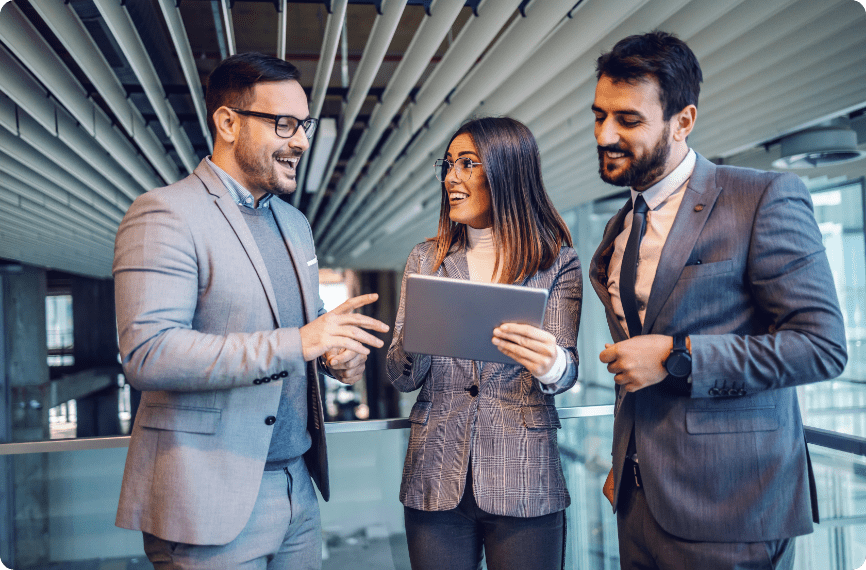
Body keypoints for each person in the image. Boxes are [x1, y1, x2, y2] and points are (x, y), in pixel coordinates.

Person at [113, 52, 389, 568]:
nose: (302, 141)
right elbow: (148, 353)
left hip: (298, 490)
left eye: (303, 125)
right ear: (227, 122)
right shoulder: (165, 213)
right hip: (208, 495)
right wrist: (300, 342)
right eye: (284, 124)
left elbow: (299, 337)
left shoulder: (294, 223)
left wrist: (332, 360)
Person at [588, 31, 847, 569]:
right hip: (638, 504)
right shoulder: (618, 226)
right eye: (598, 115)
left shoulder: (760, 199)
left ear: (683, 121)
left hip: (732, 507)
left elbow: (821, 347)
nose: (605, 134)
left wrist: (675, 355)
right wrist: (628, 458)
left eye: (628, 120)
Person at [386, 117, 581, 570]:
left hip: (524, 473)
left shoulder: (556, 262)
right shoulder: (426, 258)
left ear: (506, 171)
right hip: (434, 473)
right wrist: (421, 336)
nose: (451, 177)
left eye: (467, 164)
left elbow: (566, 371)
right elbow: (400, 375)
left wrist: (550, 363)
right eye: (449, 164)